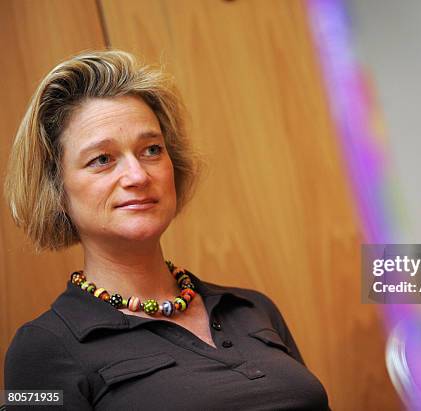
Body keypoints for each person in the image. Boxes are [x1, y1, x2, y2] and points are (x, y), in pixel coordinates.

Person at [3, 49, 330, 410]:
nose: (138, 176)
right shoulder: (42, 348)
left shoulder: (251, 308)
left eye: (152, 150)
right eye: (102, 159)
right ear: (57, 189)